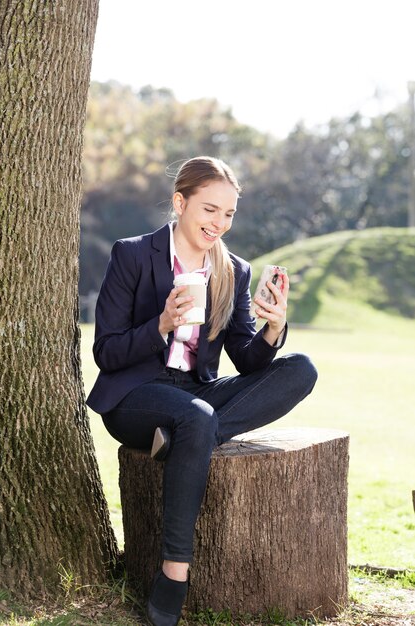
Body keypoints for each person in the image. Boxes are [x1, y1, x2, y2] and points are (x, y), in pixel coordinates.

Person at [87, 156, 318, 626]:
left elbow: (248, 360)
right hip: (135, 395)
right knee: (196, 414)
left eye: (229, 213)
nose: (220, 223)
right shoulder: (133, 254)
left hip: (196, 392)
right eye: (210, 209)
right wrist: (161, 324)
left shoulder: (233, 269)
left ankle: (193, 437)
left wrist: (273, 328)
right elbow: (106, 353)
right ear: (180, 202)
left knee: (300, 369)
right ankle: (175, 572)